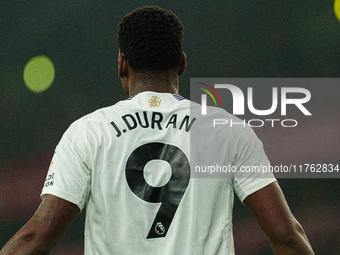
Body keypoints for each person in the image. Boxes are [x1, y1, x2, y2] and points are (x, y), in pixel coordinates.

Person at [0, 5, 314, 255]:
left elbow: (36, 239)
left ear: (122, 64)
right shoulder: (228, 130)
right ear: (181, 63)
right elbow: (286, 236)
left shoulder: (87, 132)